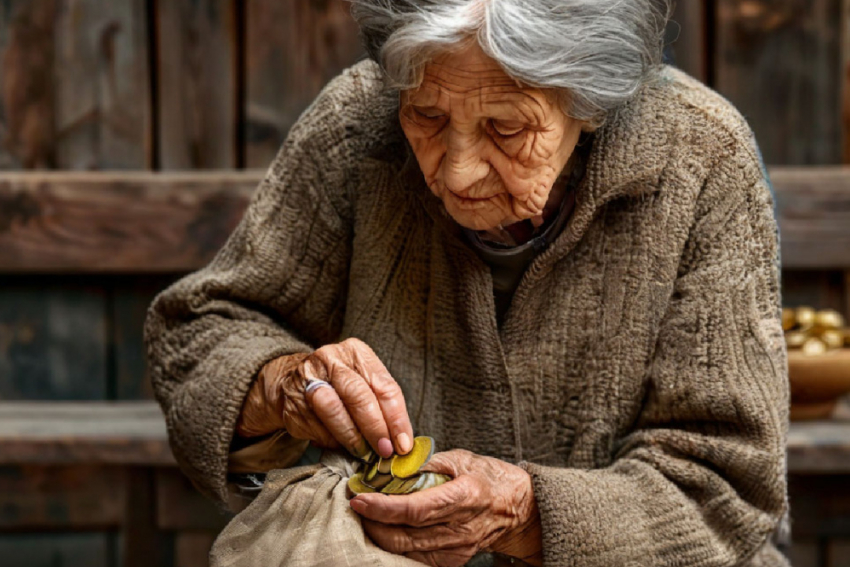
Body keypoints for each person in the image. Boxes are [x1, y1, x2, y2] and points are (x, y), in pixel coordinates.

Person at [145, 1, 790, 565]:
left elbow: (727, 486)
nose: (456, 174)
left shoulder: (701, 159)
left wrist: (524, 514)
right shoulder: (354, 125)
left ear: (589, 104)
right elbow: (202, 333)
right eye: (425, 116)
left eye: (505, 129)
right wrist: (283, 385)